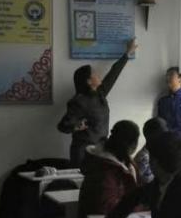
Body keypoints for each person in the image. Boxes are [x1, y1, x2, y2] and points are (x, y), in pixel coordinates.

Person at [58, 38, 138, 167]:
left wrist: (127, 53)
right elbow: (62, 126)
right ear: (89, 81)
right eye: (94, 73)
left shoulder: (100, 93)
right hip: (83, 153)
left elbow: (113, 73)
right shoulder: (79, 101)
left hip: (100, 150)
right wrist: (76, 126)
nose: (98, 74)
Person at [76, 121, 140, 218]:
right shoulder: (105, 168)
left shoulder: (124, 161)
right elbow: (105, 206)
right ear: (132, 144)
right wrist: (139, 206)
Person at [134, 117, 168, 185]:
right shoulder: (144, 157)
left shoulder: (158, 153)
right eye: (163, 130)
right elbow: (136, 183)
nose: (167, 132)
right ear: (154, 134)